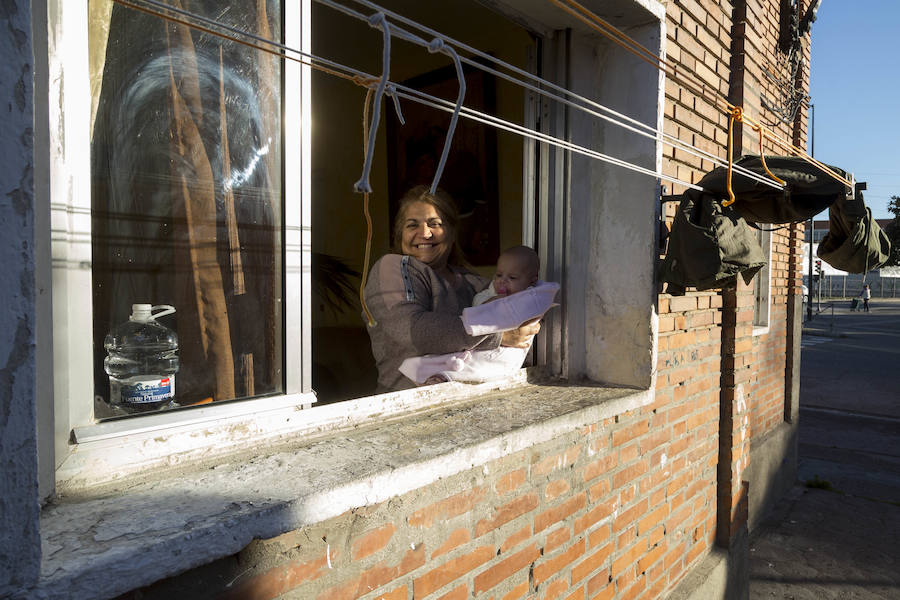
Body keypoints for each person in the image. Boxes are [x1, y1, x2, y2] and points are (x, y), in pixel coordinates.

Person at [363, 186, 540, 392]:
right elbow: (413, 331)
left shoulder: (476, 283)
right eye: (412, 225)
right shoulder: (391, 268)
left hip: (479, 404)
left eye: (434, 224)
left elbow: (522, 321)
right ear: (399, 235)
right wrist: (498, 336)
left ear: (452, 232)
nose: (424, 233)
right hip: (407, 406)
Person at [398, 245, 556, 385]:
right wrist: (491, 302)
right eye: (499, 275)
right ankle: (428, 372)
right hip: (482, 345)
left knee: (483, 369)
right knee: (456, 358)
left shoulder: (532, 296)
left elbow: (532, 314)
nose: (502, 281)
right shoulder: (490, 291)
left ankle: (446, 377)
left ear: (532, 281)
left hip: (508, 353)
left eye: (512, 278)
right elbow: (478, 305)